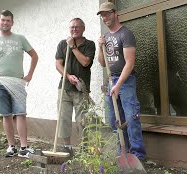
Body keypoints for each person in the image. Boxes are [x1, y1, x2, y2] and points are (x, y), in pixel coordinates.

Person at [0, 10, 38, 158]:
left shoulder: (20, 39)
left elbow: (34, 55)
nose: (5, 23)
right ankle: (11, 146)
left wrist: (30, 74)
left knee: (20, 113)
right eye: (3, 20)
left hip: (18, 82)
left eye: (8, 20)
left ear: (12, 22)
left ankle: (24, 148)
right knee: (6, 115)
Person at [97, 2, 146, 161]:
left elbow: (130, 63)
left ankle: (138, 155)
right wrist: (100, 46)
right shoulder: (106, 37)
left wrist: (118, 85)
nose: (104, 18)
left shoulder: (126, 34)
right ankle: (123, 153)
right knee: (114, 120)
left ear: (114, 13)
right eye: (102, 15)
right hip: (110, 80)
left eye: (107, 14)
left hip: (125, 81)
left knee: (131, 118)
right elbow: (103, 63)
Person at [55, 18, 95, 154]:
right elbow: (58, 64)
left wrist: (73, 46)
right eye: (72, 27)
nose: (74, 29)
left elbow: (85, 62)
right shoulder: (62, 44)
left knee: (82, 120)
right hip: (64, 88)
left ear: (83, 29)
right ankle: (67, 148)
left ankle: (85, 148)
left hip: (81, 89)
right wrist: (67, 76)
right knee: (63, 119)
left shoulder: (90, 45)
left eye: (77, 27)